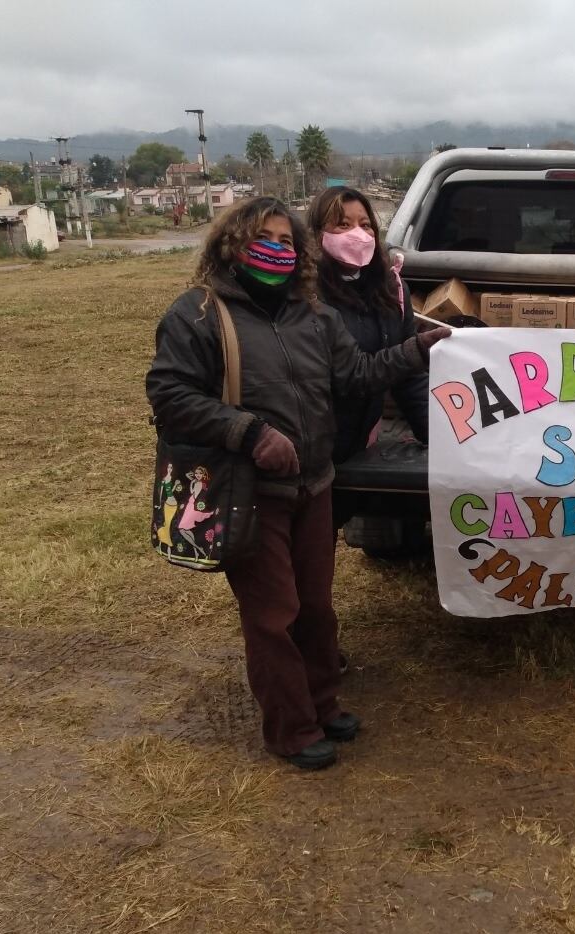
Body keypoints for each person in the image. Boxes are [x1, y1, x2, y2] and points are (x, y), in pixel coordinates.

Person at [146, 197, 449, 771]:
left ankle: (322, 703)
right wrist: (249, 431)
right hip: (248, 492)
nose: (278, 250)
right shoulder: (199, 315)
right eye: (265, 237)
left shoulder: (314, 315)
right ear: (231, 245)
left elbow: (356, 375)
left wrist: (416, 348)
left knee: (315, 607)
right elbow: (170, 395)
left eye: (287, 241)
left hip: (315, 484)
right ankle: (290, 727)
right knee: (273, 613)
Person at [307, 187, 429, 532]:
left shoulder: (392, 290)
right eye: (342, 225)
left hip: (359, 440)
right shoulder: (305, 295)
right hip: (312, 447)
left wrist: (435, 434)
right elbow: (350, 374)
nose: (358, 234)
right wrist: (415, 351)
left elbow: (408, 375)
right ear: (318, 234)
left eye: (365, 224)